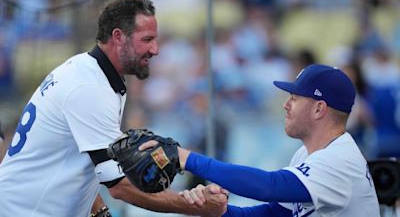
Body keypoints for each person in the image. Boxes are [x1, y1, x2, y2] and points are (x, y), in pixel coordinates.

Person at [0, 0, 227, 217]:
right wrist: (196, 206)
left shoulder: (89, 72)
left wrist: (99, 210)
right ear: (118, 37)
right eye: (147, 39)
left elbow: (86, 161)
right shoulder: (89, 88)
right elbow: (119, 186)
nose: (155, 49)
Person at [143, 64, 380, 216]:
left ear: (319, 109)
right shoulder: (309, 153)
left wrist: (187, 158)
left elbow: (269, 186)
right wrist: (220, 212)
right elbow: (272, 214)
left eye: (295, 98)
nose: (285, 105)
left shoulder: (340, 160)